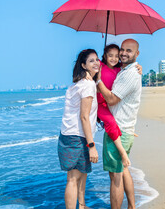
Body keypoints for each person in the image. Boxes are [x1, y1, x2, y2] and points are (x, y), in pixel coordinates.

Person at [97, 39, 142, 209]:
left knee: (115, 177)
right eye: (122, 50)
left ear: (137, 54)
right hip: (124, 130)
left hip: (119, 131)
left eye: (128, 51)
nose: (123, 53)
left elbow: (111, 99)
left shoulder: (130, 73)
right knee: (122, 170)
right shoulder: (125, 70)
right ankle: (131, 206)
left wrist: (98, 81)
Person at [58, 49, 100, 209]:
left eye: (97, 59)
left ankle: (82, 206)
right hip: (77, 137)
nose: (96, 62)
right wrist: (92, 146)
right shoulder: (88, 86)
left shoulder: (77, 85)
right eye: (91, 61)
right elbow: (84, 117)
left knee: (82, 174)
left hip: (69, 135)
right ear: (83, 65)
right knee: (73, 179)